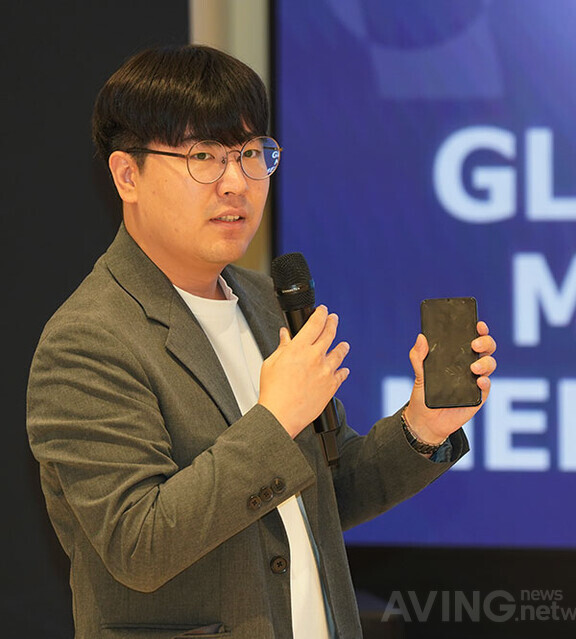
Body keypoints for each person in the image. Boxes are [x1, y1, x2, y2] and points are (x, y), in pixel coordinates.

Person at [26, 44, 496, 639]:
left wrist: (421, 427)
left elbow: (321, 498)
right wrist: (275, 419)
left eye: (250, 154)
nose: (236, 183)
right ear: (127, 175)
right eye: (204, 156)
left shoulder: (266, 301)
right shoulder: (87, 341)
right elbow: (137, 545)